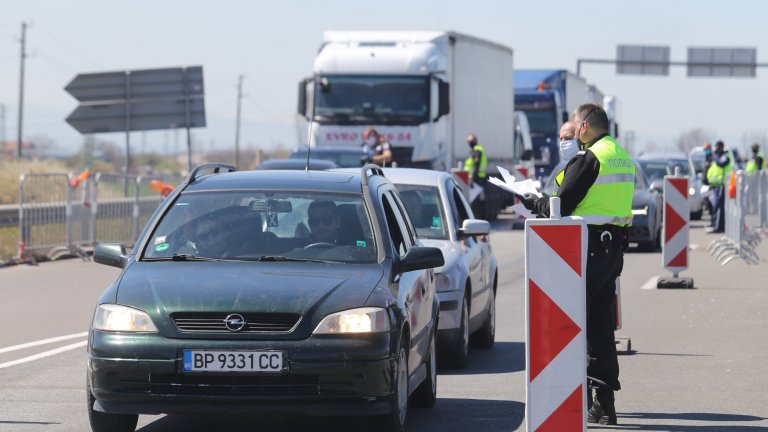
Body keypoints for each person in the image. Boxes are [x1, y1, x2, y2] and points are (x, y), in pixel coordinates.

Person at [519, 103, 634, 425]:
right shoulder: (621, 155)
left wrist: (531, 201)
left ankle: (576, 399)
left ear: (583, 126)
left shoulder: (590, 159)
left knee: (573, 326)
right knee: (600, 326)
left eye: (573, 124)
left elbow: (561, 204)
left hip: (586, 249)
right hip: (612, 250)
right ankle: (604, 403)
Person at [703, 141, 731, 233]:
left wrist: (715, 156)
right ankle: (715, 224)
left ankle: (719, 227)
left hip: (721, 185)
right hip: (714, 185)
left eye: (717, 147)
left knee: (719, 207)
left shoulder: (725, 156)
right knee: (714, 206)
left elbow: (721, 163)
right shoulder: (716, 156)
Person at [464, 133, 488, 218]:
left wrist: (472, 179)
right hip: (478, 178)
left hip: (477, 179)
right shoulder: (476, 149)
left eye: (470, 141)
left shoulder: (477, 150)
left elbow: (475, 166)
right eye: (468, 141)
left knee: (476, 202)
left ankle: (477, 218)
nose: (469, 142)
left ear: (475, 141)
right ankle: (479, 217)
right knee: (478, 201)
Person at [552, 121, 579, 195]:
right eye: (561, 139)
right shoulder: (562, 166)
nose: (563, 143)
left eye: (567, 138)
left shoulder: (587, 164)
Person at [744, 144, 765, 213]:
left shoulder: (758, 156)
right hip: (751, 177)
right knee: (751, 194)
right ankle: (753, 208)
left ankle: (755, 209)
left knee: (754, 194)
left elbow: (759, 167)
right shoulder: (755, 156)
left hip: (755, 178)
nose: (752, 150)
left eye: (753, 148)